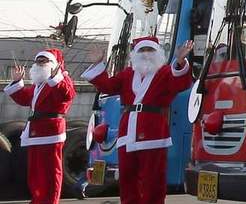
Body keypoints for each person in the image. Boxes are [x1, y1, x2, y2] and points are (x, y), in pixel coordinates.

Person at [81, 36, 194, 204]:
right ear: (135, 53)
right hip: (128, 131)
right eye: (142, 50)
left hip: (153, 132)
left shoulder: (164, 72)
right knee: (127, 178)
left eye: (150, 50)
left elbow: (181, 83)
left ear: (158, 53)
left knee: (152, 179)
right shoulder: (127, 74)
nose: (146, 54)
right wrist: (98, 65)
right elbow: (108, 86)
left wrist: (179, 61)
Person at [3, 49, 76, 204]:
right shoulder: (39, 86)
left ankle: (49, 201)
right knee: (35, 172)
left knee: (50, 173)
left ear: (54, 64)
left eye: (44, 61)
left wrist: (56, 77)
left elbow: (67, 94)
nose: (39, 64)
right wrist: (17, 82)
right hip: (36, 132)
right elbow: (25, 98)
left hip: (51, 132)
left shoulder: (62, 80)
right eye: (38, 61)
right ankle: (38, 199)